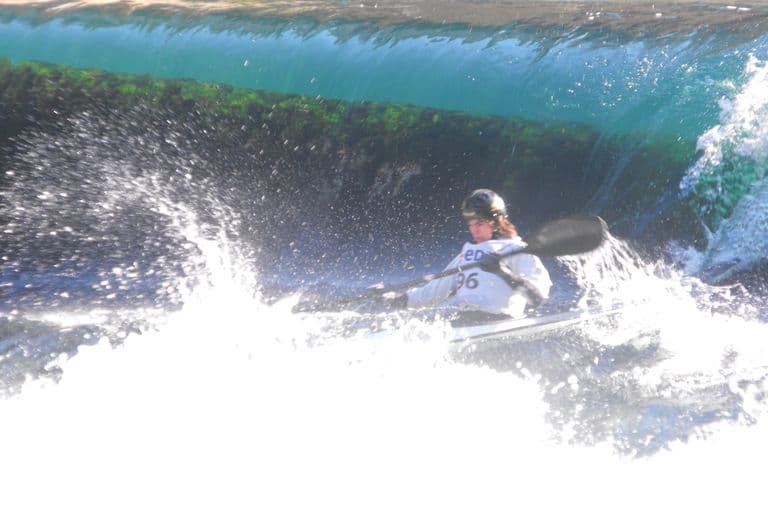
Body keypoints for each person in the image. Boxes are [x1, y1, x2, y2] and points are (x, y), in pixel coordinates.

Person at [381, 189, 552, 319]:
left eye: (479, 223)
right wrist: (395, 299)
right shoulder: (468, 252)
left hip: (500, 321)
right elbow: (434, 291)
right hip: (465, 321)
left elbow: (537, 298)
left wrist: (501, 271)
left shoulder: (516, 250)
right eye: (470, 224)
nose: (474, 230)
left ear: (496, 222)